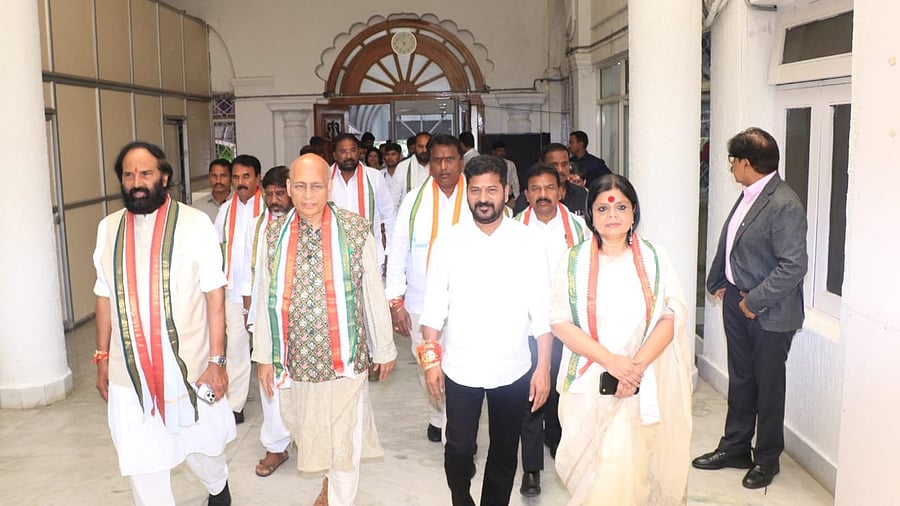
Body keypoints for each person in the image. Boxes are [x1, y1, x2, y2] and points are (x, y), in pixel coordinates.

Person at [93, 141, 236, 505]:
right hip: (130, 373)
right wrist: (102, 357)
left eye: (145, 173)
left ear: (164, 177)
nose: (136, 182)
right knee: (142, 462)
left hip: (188, 364)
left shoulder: (194, 223)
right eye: (128, 175)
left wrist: (217, 363)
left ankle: (219, 490)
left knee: (203, 450)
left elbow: (214, 296)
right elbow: (104, 294)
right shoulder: (108, 228)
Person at [252, 153, 397, 506]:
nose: (308, 195)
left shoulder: (356, 229)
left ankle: (340, 496)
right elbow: (262, 295)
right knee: (309, 432)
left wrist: (384, 347)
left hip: (345, 359)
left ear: (329, 187)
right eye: (299, 186)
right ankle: (331, 484)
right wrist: (264, 354)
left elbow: (372, 292)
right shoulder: (272, 234)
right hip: (295, 360)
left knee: (345, 438)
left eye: (316, 186)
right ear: (287, 189)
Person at [549, 173, 692, 505]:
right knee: (595, 478)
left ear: (633, 212)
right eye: (602, 209)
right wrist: (613, 363)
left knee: (632, 474)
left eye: (620, 208)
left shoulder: (656, 258)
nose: (612, 216)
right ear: (590, 215)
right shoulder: (573, 262)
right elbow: (559, 321)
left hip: (641, 385)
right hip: (588, 383)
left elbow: (673, 314)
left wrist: (633, 369)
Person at [420, 155, 552, 506]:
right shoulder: (448, 242)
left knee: (505, 450)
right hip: (460, 368)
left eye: (491, 189)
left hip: (513, 369)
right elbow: (432, 310)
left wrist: (542, 370)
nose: (483, 198)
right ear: (467, 193)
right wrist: (431, 363)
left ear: (506, 192)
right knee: (459, 449)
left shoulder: (528, 241)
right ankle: (461, 499)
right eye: (476, 190)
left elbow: (542, 314)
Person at [692, 127, 807, 490]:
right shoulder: (750, 193)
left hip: (767, 312)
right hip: (736, 302)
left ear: (746, 162)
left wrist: (753, 302)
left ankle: (767, 458)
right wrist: (722, 282)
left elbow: (793, 266)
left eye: (732, 161)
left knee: (768, 387)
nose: (730, 168)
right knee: (741, 380)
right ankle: (735, 447)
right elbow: (734, 243)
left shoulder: (784, 203)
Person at [385, 134, 473, 443]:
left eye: (450, 159)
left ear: (461, 162)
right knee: (429, 368)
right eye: (437, 160)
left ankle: (457, 433)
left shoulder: (477, 196)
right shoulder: (413, 201)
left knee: (461, 370)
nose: (444, 166)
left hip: (468, 303)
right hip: (421, 304)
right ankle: (438, 416)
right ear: (429, 163)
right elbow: (397, 253)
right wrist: (395, 302)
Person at [513, 162, 587, 497]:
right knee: (533, 396)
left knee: (560, 392)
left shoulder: (579, 228)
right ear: (527, 194)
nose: (543, 196)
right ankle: (531, 469)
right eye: (536, 190)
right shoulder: (513, 230)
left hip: (567, 327)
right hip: (527, 329)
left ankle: (558, 445)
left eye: (549, 189)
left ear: (560, 191)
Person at [245, 166, 294, 478]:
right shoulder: (257, 226)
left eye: (280, 194)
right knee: (269, 381)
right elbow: (243, 267)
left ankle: (307, 438)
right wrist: (247, 305)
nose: (275, 200)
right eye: (270, 194)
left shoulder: (305, 221)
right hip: (266, 314)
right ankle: (276, 446)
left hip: (301, 316)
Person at [214, 153, 264, 424]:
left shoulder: (270, 207)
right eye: (236, 177)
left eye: (246, 176)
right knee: (236, 349)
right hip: (233, 291)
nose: (240, 182)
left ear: (258, 177)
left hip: (263, 292)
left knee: (267, 348)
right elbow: (214, 247)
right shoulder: (226, 210)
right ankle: (236, 405)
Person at [328, 133, 397, 269]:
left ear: (359, 152)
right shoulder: (324, 179)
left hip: (371, 256)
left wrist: (391, 251)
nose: (348, 156)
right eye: (343, 152)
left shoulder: (374, 177)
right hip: (334, 257)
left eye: (353, 151)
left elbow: (389, 215)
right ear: (334, 155)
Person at [513, 143, 588, 216]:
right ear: (542, 164)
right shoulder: (530, 196)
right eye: (554, 165)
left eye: (564, 164)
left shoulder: (581, 194)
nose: (560, 170)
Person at [393, 131, 432, 207]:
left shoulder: (439, 167)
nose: (424, 150)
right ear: (414, 147)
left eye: (427, 147)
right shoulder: (402, 167)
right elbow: (394, 199)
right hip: (408, 216)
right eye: (420, 147)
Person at [380, 142, 404, 211]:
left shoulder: (405, 174)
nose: (390, 157)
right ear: (384, 157)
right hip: (384, 215)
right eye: (387, 154)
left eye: (393, 154)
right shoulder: (379, 175)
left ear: (399, 156)